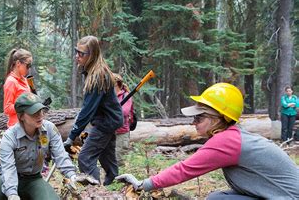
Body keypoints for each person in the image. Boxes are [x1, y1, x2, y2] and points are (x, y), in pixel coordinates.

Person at [116, 83, 299, 199]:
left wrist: (143, 185)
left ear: (218, 118)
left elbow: (185, 170)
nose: (193, 123)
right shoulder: (232, 135)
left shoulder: (226, 141)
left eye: (199, 118)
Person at [0, 93, 98, 200]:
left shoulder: (49, 129)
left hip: (34, 179)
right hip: (10, 177)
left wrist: (72, 176)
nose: (40, 115)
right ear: (21, 116)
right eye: (34, 113)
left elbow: (60, 155)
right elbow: (8, 169)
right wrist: (12, 194)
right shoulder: (10, 137)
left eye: (41, 111)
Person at [63, 35, 123, 186]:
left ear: (92, 55)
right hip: (109, 120)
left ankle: (95, 190)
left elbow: (88, 110)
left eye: (81, 54)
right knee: (106, 157)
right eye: (77, 52)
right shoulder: (94, 71)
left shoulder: (97, 76)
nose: (77, 56)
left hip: (105, 123)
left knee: (85, 158)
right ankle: (114, 185)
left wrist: (72, 137)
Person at [3, 48, 33, 127]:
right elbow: (7, 108)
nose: (29, 69)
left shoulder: (25, 80)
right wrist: (24, 106)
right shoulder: (11, 82)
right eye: (28, 65)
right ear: (18, 63)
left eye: (30, 66)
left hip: (27, 124)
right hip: (16, 127)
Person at [113, 73, 133, 167]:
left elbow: (124, 112)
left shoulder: (126, 96)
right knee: (109, 158)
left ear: (116, 83)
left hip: (122, 132)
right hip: (110, 131)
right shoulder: (109, 96)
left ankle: (120, 179)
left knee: (119, 158)